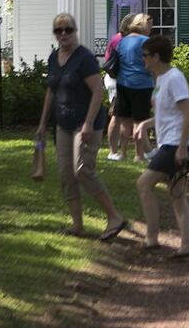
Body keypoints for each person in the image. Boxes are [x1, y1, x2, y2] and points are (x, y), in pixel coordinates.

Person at [34, 12, 127, 241]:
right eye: (59, 30)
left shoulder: (84, 58)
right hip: (62, 123)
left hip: (86, 123)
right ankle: (77, 225)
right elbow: (51, 90)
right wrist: (42, 123)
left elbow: (97, 91)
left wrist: (87, 123)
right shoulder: (54, 57)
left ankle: (114, 217)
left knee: (82, 169)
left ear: (75, 31)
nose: (63, 34)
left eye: (68, 29)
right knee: (66, 174)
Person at [134, 36, 189, 258]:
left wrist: (181, 148)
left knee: (144, 184)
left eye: (146, 56)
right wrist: (145, 124)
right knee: (177, 194)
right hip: (168, 142)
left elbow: (187, 112)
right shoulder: (160, 79)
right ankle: (186, 246)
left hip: (174, 145)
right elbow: (166, 114)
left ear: (156, 57)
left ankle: (151, 238)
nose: (143, 60)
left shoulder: (174, 78)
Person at [109, 14, 155, 162]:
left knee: (125, 121)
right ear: (142, 25)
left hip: (123, 84)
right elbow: (151, 64)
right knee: (139, 122)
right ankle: (139, 154)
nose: (151, 29)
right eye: (149, 25)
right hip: (142, 85)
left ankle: (122, 153)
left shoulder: (122, 41)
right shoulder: (146, 42)